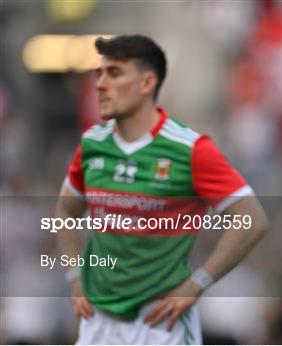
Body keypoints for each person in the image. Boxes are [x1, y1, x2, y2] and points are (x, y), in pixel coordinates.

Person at [55, 35, 269, 344]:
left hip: (160, 324)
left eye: (114, 74)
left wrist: (197, 284)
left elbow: (252, 219)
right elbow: (65, 210)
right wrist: (74, 277)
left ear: (146, 84)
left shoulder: (190, 149)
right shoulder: (92, 144)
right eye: (99, 74)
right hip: (98, 322)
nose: (100, 84)